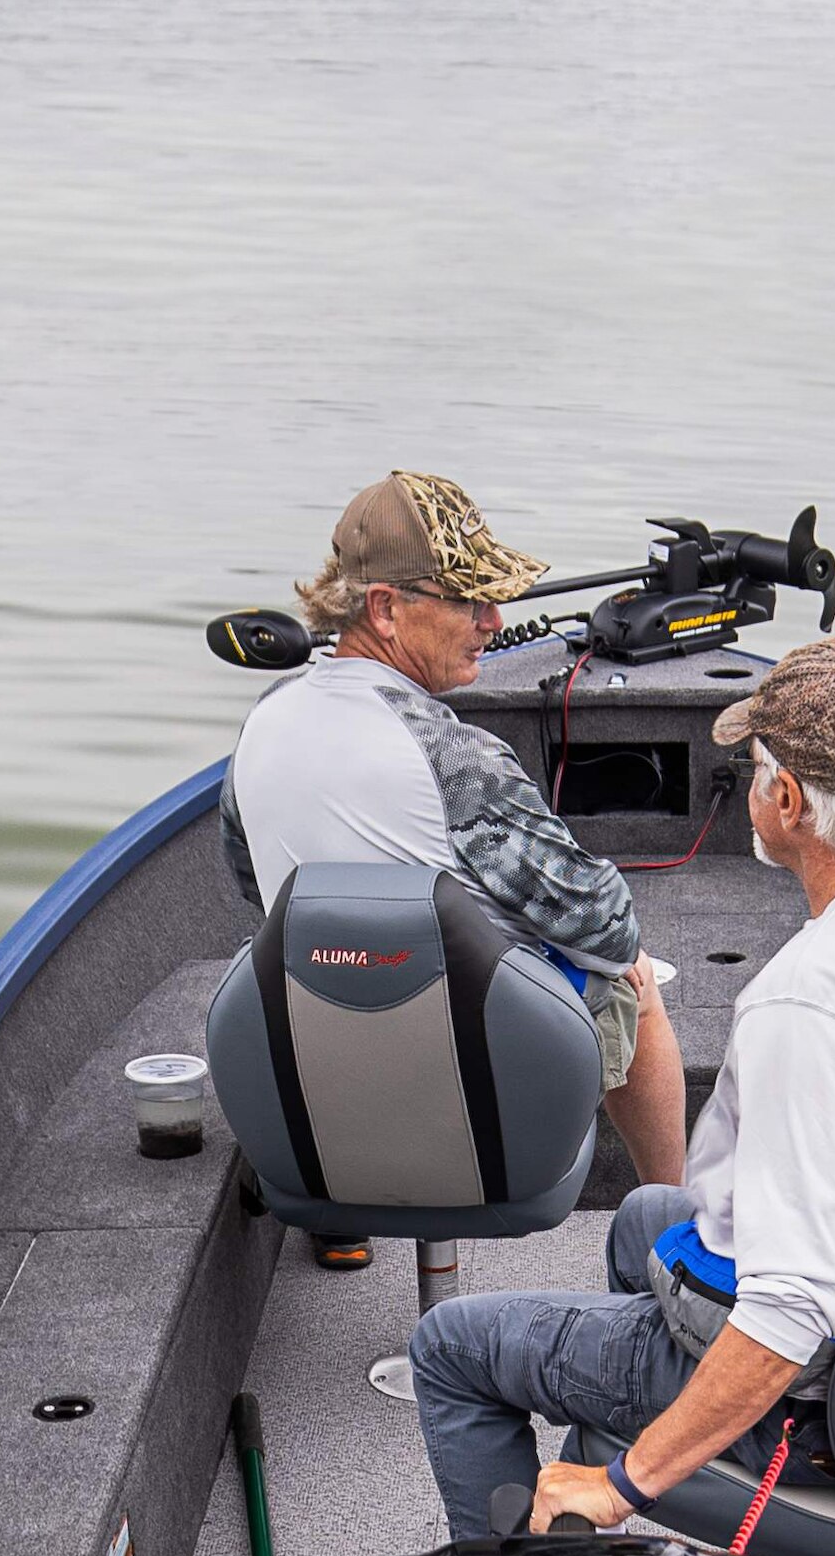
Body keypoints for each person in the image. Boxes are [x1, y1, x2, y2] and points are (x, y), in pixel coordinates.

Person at [405, 633, 835, 1544]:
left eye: (754, 767)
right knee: (646, 1217)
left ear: (787, 801)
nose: (751, 783)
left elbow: (795, 1307)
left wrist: (625, 1484)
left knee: (453, 1347)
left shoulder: (811, 998)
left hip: (812, 1393)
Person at [221, 471, 685, 1185]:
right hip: (472, 1117)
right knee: (633, 973)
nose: (495, 621)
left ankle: (343, 1225)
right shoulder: (455, 758)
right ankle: (667, 1220)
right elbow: (607, 923)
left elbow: (255, 883)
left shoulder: (263, 721)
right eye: (471, 598)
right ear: (385, 609)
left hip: (309, 1096)